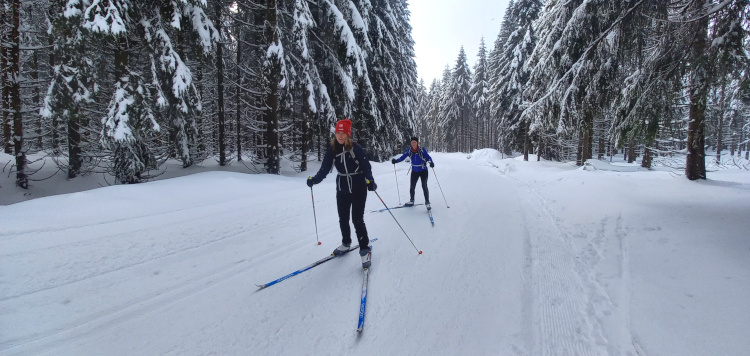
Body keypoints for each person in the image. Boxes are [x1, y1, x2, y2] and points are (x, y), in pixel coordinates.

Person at [307, 119, 376, 269]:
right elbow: (325, 168)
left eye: (343, 133)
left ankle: (365, 250)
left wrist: (370, 180)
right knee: (343, 218)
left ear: (348, 134)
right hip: (342, 188)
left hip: (358, 187)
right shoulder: (333, 149)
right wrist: (315, 180)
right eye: (338, 133)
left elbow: (366, 166)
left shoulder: (356, 148)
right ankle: (346, 243)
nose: (340, 136)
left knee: (357, 219)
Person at [391, 137, 434, 210]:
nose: (413, 144)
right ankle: (412, 200)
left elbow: (428, 157)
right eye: (412, 142)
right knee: (412, 186)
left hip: (423, 170)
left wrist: (431, 162)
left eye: (414, 142)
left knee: (424, 185)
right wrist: (396, 161)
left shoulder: (422, 150)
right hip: (414, 171)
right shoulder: (409, 150)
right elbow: (403, 157)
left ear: (417, 143)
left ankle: (427, 202)